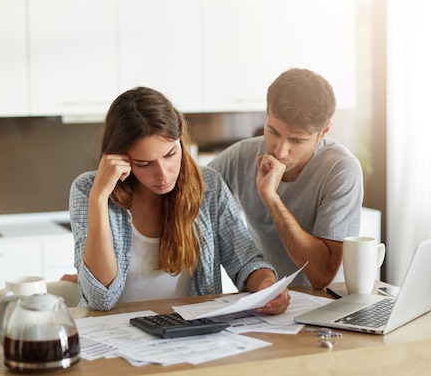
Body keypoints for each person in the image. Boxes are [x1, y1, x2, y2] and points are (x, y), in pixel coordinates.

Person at [69, 86, 290, 312]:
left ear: (181, 142)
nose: (163, 174)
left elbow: (245, 260)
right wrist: (99, 197)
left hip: (187, 336)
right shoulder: (88, 190)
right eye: (144, 163)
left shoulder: (209, 185)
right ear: (118, 157)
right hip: (115, 337)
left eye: (170, 155)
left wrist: (267, 285)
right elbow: (100, 299)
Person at [208, 68, 364, 289]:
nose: (280, 151)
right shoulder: (240, 156)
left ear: (324, 132)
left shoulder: (340, 169)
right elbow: (191, 192)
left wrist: (271, 198)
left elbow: (321, 276)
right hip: (265, 298)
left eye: (297, 141)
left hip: (323, 302)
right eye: (273, 131)